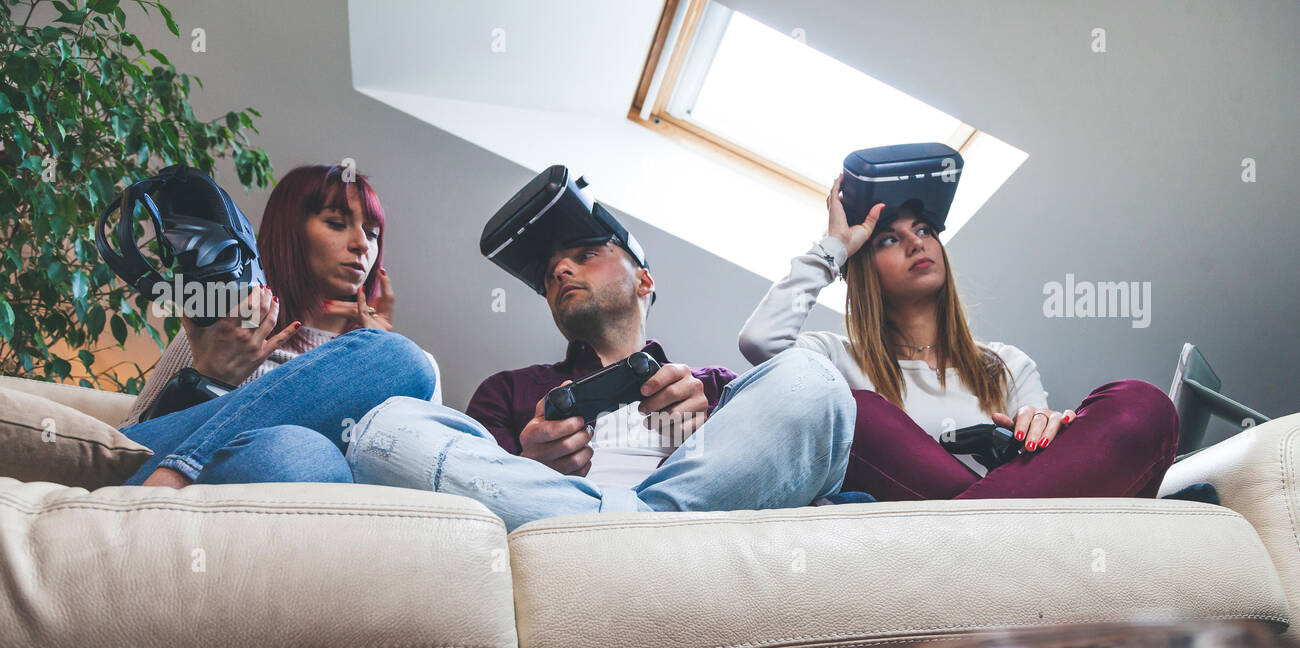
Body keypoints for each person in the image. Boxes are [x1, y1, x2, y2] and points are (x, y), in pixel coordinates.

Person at [345, 235, 856, 533]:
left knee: (811, 376)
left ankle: (627, 528)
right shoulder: (507, 392)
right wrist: (527, 467)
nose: (560, 270)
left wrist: (707, 432)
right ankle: (650, 530)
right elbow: (478, 504)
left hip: (605, 530)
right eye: (549, 275)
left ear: (644, 281)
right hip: (586, 527)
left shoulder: (716, 387)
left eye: (587, 254)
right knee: (387, 428)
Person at [738, 176, 1179, 501]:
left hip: (1009, 524)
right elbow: (762, 342)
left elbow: (1048, 470)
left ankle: (983, 550)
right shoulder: (834, 358)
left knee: (1141, 403)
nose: (916, 243)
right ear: (863, 271)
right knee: (861, 412)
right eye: (890, 238)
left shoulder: (1006, 364)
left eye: (925, 230)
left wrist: (1045, 427)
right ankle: (993, 549)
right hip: (918, 538)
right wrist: (834, 247)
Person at [118, 164, 440, 487]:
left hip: (293, 490)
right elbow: (121, 451)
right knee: (402, 362)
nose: (362, 244)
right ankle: (175, 477)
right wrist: (208, 376)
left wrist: (380, 383)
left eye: (372, 233)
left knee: (313, 449)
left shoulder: (394, 361)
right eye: (336, 223)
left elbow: (424, 479)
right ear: (291, 233)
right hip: (146, 478)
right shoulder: (226, 328)